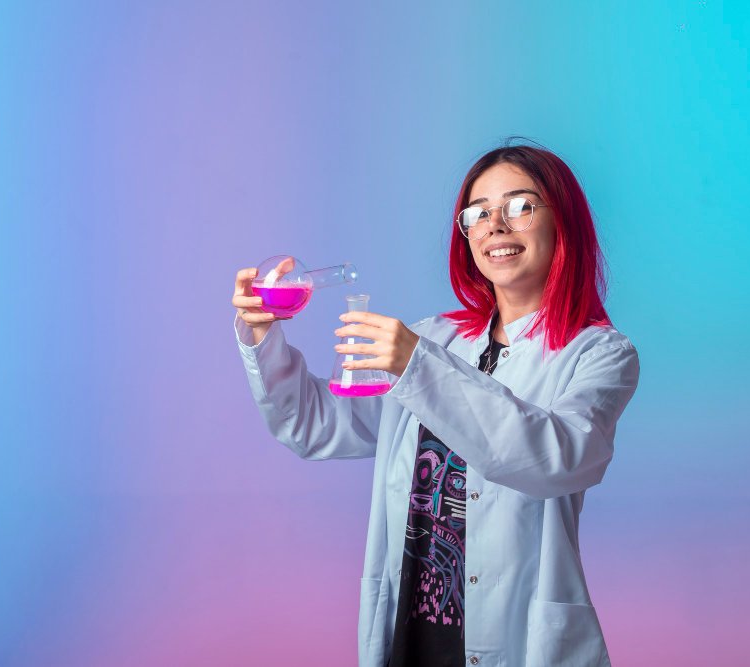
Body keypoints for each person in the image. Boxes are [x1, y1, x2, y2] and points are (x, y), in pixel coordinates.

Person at [232, 143, 640, 667]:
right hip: (415, 634)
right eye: (479, 213)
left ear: (563, 222)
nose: (496, 225)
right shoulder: (434, 339)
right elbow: (314, 425)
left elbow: (556, 460)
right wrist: (261, 338)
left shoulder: (599, 353)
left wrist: (417, 367)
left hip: (514, 634)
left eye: (520, 205)